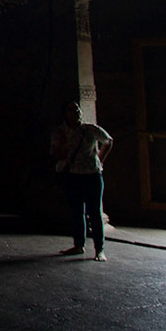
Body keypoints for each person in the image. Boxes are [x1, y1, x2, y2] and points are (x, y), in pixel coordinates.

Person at [50, 100, 113, 260]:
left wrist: (100, 159)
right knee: (77, 212)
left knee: (95, 213)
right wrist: (64, 142)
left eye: (77, 109)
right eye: (71, 109)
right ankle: (79, 245)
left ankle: (100, 249)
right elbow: (57, 154)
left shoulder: (89, 129)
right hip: (73, 175)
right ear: (65, 114)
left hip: (92, 175)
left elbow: (108, 141)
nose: (76, 112)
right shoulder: (60, 132)